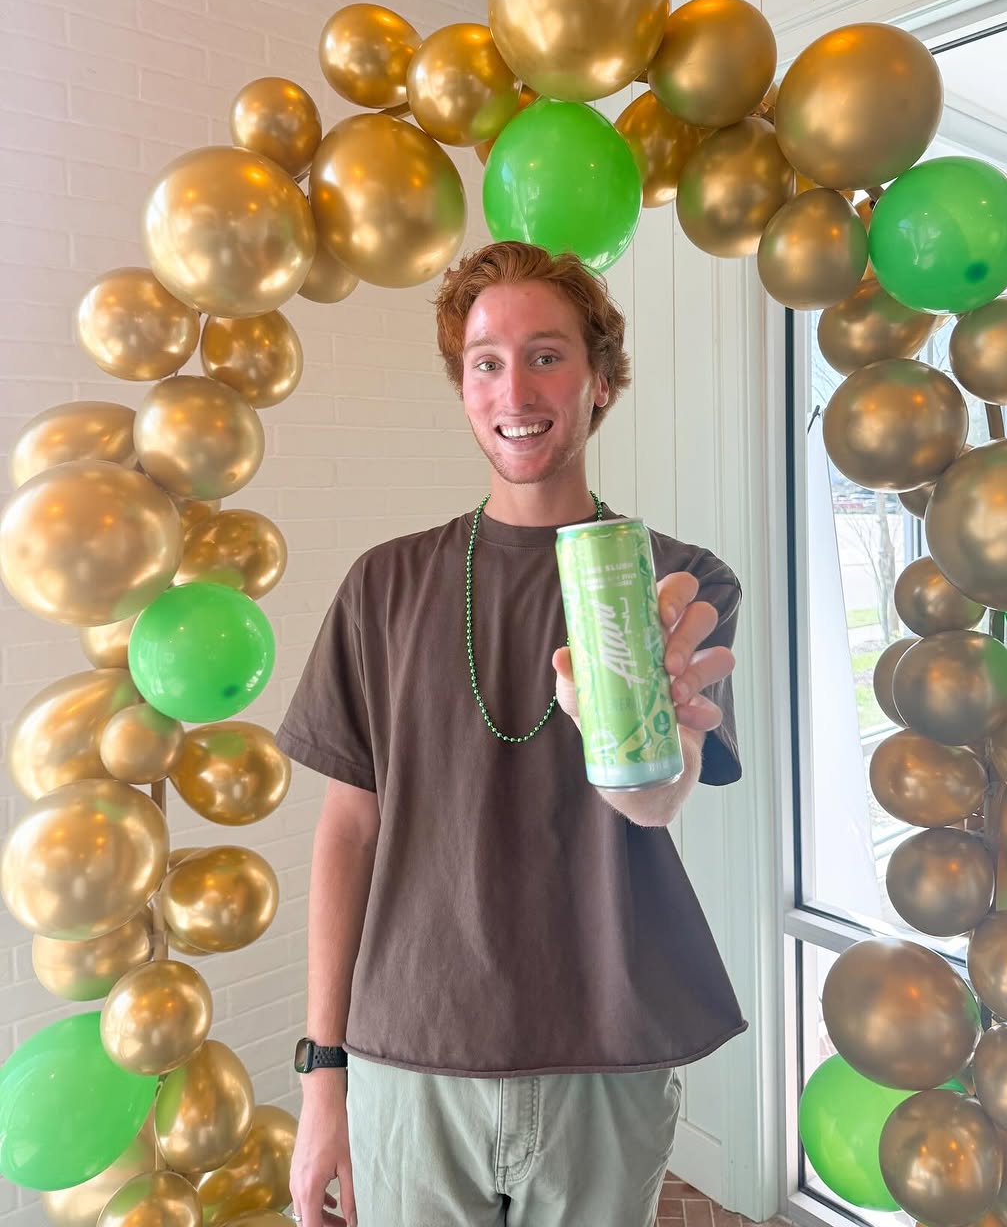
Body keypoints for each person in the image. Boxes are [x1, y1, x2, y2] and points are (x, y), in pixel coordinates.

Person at [279, 241, 745, 1227]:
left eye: (547, 355)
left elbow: (657, 800)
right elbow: (347, 831)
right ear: (463, 388)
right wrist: (324, 1076)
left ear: (601, 381)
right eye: (486, 361)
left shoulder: (675, 583)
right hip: (411, 1056)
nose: (516, 390)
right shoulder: (384, 585)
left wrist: (643, 744)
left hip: (603, 1057)